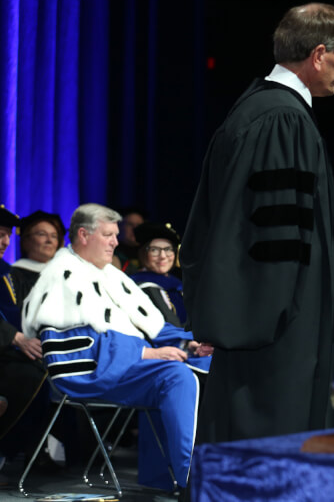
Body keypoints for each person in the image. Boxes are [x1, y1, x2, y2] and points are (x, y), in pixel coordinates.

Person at [181, 3, 334, 444]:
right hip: (279, 334)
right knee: (273, 452)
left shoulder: (262, 109)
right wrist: (281, 324)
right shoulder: (281, 120)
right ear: (319, 54)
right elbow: (272, 239)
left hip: (272, 324)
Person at [21, 203, 210, 490]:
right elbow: (73, 351)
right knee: (175, 376)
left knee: (210, 364)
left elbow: (154, 327)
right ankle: (192, 480)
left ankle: (178, 473)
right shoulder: (62, 278)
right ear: (83, 235)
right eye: (109, 235)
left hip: (123, 364)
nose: (116, 242)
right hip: (88, 373)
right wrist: (146, 353)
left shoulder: (112, 276)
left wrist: (191, 342)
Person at [0, 205, 48, 471]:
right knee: (28, 375)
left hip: (11, 350)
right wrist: (15, 338)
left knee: (43, 371)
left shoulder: (8, 273)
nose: (4, 241)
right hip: (6, 350)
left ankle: (25, 452)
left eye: (7, 234)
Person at [130, 222, 188, 328]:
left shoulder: (179, 283)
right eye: (154, 250)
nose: (162, 256)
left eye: (168, 249)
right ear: (143, 253)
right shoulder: (137, 285)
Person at [11, 210, 66, 303]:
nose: (49, 240)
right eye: (42, 234)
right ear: (26, 240)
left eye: (54, 236)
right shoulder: (12, 277)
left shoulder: (64, 274)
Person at [112, 207, 146, 273]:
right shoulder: (110, 251)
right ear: (120, 226)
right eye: (130, 224)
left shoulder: (148, 253)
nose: (135, 228)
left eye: (139, 225)